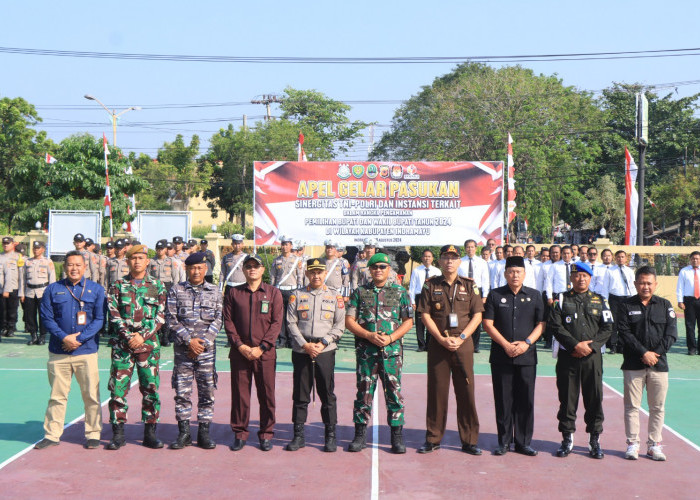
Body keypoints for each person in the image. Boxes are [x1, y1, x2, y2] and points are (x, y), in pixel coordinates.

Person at [35, 250, 105, 450]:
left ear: (85, 267)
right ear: (64, 267)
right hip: (59, 351)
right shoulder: (52, 289)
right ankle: (52, 434)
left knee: (91, 395)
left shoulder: (96, 290)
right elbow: (47, 318)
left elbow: (100, 319)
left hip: (86, 351)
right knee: (57, 396)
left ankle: (93, 433)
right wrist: (64, 337)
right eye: (70, 265)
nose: (74, 268)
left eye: (78, 265)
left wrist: (80, 339)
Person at [416, 245, 483, 455]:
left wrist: (462, 337)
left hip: (463, 345)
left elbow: (477, 315)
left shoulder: (470, 285)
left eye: (453, 258)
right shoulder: (430, 285)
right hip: (439, 345)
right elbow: (424, 314)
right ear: (440, 261)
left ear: (459, 261)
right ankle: (433, 438)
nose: (449, 262)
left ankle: (470, 440)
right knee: (437, 392)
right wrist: (440, 338)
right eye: (445, 258)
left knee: (466, 391)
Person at [345, 252, 413, 454]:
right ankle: (359, 435)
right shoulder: (359, 292)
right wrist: (368, 335)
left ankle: (397, 436)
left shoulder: (400, 292)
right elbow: (349, 321)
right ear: (370, 270)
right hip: (367, 352)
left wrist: (391, 338)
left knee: (394, 393)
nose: (379, 270)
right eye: (375, 267)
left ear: (389, 270)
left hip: (391, 353)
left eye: (383, 267)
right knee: (364, 392)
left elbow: (408, 321)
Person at [106, 245, 167, 450]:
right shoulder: (118, 286)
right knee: (118, 391)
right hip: (123, 348)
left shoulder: (157, 286)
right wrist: (128, 335)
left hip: (148, 347)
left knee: (150, 389)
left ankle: (150, 433)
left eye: (141, 258)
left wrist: (142, 336)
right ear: (128, 261)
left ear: (147, 261)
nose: (137, 262)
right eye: (133, 258)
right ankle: (118, 434)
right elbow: (114, 314)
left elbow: (160, 316)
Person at [483, 256, 545, 456]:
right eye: (511, 271)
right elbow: (488, 324)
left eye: (518, 271)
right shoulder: (494, 295)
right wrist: (505, 345)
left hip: (526, 356)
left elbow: (541, 324)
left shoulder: (535, 296)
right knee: (503, 399)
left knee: (525, 400)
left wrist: (526, 343)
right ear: (505, 274)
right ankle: (504, 442)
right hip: (501, 355)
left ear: (524, 274)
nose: (515, 275)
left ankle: (523, 442)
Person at [549, 262, 613, 459]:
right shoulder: (561, 299)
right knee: (567, 399)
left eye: (585, 275)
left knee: (594, 398)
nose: (581, 279)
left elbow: (608, 328)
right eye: (577, 275)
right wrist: (574, 345)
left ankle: (594, 440)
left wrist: (590, 347)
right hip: (568, 357)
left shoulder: (600, 300)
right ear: (571, 278)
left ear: (590, 278)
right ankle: (567, 438)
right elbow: (555, 326)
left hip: (592, 359)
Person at [285, 258, 345, 452]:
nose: (316, 276)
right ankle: (299, 435)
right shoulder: (297, 295)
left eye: (319, 272)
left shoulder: (335, 297)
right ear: (307, 274)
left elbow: (339, 325)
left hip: (325, 350)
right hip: (302, 350)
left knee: (327, 394)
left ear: (324, 273)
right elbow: (291, 323)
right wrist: (305, 345)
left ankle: (330, 435)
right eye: (313, 272)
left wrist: (322, 343)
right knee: (300, 394)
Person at [224, 254, 283, 452]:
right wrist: (240, 345)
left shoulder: (274, 293)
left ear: (262, 270)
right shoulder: (233, 293)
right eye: (248, 266)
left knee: (266, 395)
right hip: (240, 352)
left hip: (264, 353)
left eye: (256, 266)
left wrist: (262, 347)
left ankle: (266, 434)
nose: (252, 269)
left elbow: (276, 323)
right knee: (240, 396)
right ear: (243, 270)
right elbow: (228, 322)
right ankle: (240, 434)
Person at [618, 266, 677, 461]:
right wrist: (644, 353)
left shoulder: (665, 305)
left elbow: (671, 334)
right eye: (642, 283)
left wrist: (655, 354)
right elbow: (625, 333)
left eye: (649, 283)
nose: (645, 286)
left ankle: (654, 445)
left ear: (655, 284)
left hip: (659, 365)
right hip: (633, 364)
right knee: (632, 407)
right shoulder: (626, 305)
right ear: (635, 284)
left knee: (657, 407)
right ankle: (632, 444)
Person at [166, 252, 223, 450]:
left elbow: (218, 319)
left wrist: (203, 343)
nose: (196, 271)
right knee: (182, 392)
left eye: (199, 267)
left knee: (207, 392)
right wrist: (190, 341)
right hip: (183, 352)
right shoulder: (176, 290)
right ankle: (184, 433)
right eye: (192, 268)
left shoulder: (215, 291)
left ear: (205, 269)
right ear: (186, 269)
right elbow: (171, 319)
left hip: (206, 352)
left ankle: (204, 433)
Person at [20, 241, 56, 345]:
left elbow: (52, 279)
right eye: (34, 248)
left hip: (43, 292)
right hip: (29, 292)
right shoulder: (27, 262)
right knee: (30, 315)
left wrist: (51, 294)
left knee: (43, 315)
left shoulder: (48, 262)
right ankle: (33, 335)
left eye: (38, 248)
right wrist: (21, 293)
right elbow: (22, 279)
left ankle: (42, 336)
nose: (36, 250)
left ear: (43, 249)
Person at [271, 234, 303, 348]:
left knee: (292, 316)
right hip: (279, 290)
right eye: (283, 244)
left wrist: (299, 290)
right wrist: (272, 290)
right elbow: (273, 276)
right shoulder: (277, 260)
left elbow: (300, 276)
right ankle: (282, 339)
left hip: (292, 291)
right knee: (280, 316)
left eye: (287, 244)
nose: (284, 247)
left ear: (291, 246)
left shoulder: (296, 260)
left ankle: (291, 339)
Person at [600, 250, 635, 354]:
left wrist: (634, 300)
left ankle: (622, 345)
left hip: (627, 299)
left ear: (626, 258)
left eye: (622, 257)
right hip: (614, 299)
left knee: (625, 323)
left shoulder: (629, 271)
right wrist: (605, 301)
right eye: (618, 257)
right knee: (613, 323)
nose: (620, 259)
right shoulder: (610, 271)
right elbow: (605, 287)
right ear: (615, 258)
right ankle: (613, 346)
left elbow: (633, 287)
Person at [148, 239, 181, 347]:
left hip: (167, 285)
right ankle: (156, 335)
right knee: (153, 310)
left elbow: (175, 276)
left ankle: (165, 337)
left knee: (167, 312)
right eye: (158, 249)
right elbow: (147, 275)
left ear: (165, 249)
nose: (159, 251)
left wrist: (174, 289)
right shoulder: (151, 261)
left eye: (161, 249)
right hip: (153, 287)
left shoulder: (171, 261)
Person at [458, 239, 489, 353]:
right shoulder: (460, 261)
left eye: (472, 247)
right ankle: (464, 341)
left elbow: (485, 280)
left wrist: (484, 296)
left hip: (477, 290)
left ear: (476, 248)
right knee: (464, 316)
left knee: (477, 317)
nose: (470, 249)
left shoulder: (482, 262)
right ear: (465, 248)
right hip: (463, 290)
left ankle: (475, 345)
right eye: (468, 247)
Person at [409, 249, 442, 352]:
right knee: (419, 322)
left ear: (432, 258)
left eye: (429, 256)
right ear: (422, 258)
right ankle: (421, 345)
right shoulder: (416, 270)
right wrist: (413, 302)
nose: (427, 258)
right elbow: (412, 287)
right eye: (425, 256)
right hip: (420, 297)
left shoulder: (437, 271)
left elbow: (440, 287)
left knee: (431, 320)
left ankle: (429, 344)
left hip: (433, 298)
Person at [677, 251, 700, 355]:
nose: (695, 260)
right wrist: (680, 301)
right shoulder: (684, 271)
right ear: (690, 259)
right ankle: (691, 348)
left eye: (697, 258)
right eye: (693, 258)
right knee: (690, 325)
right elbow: (680, 287)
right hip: (689, 301)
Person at [1, 236, 21, 337]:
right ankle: (3, 327)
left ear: (13, 244)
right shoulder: (0, 256)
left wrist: (22, 291)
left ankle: (11, 327)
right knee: (2, 309)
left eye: (7, 243)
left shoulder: (18, 257)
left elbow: (22, 275)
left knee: (12, 309)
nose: (5, 245)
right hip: (1, 288)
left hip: (13, 287)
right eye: (4, 243)